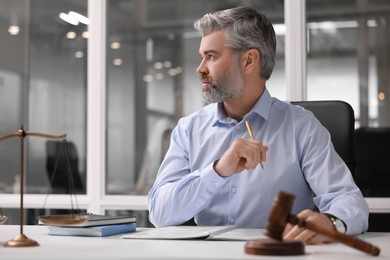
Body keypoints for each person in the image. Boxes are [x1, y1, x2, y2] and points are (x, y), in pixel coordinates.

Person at [148, 6, 369, 244]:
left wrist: (331, 221)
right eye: (202, 57)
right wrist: (218, 170)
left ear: (249, 60)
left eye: (211, 56)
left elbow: (350, 202)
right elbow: (160, 214)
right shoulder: (188, 129)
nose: (200, 68)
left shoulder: (302, 126)